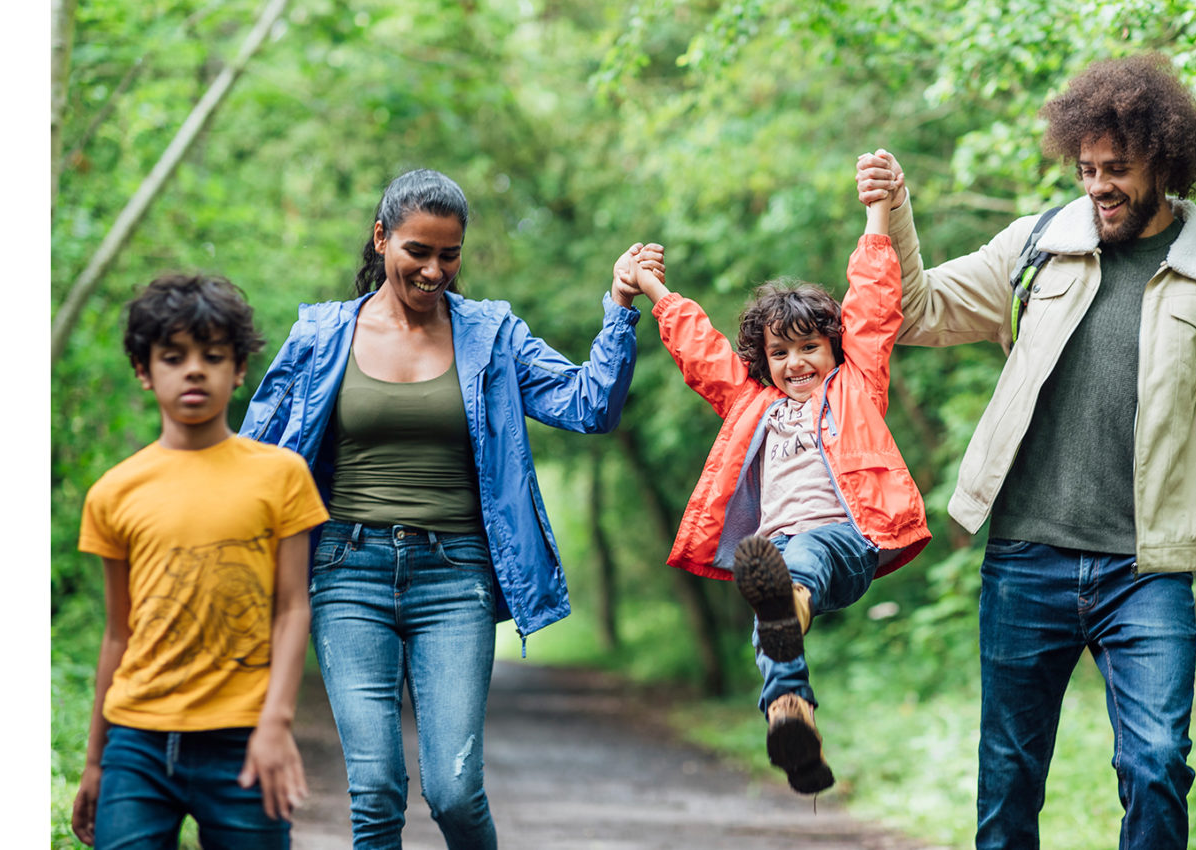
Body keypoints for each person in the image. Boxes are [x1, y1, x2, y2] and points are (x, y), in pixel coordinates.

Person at [854, 54, 1196, 848]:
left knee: (1157, 764)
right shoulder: (1038, 247)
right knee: (1008, 778)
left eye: (1118, 170)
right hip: (1025, 557)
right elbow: (912, 310)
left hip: (1148, 570)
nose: (1099, 186)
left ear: (1165, 164)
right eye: (1087, 170)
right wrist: (895, 211)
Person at [239, 168, 642, 848]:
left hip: (456, 578)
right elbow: (257, 454)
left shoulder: (492, 335)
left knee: (454, 793)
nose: (433, 271)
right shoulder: (320, 336)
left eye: (448, 255)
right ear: (381, 238)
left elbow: (589, 405)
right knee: (375, 789)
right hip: (346, 571)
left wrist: (620, 308)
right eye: (417, 251)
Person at [621, 188, 931, 795]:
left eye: (809, 347)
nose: (796, 363)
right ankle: (793, 719)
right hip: (780, 547)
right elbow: (702, 353)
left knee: (799, 565)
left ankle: (789, 603)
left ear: (834, 347)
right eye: (780, 353)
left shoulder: (857, 385)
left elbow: (872, 302)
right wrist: (655, 290)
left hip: (848, 538)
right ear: (764, 361)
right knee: (768, 616)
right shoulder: (751, 404)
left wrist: (878, 211)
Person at [71, 273, 329, 848]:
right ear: (144, 370)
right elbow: (118, 633)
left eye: (213, 356)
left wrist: (276, 723)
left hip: (244, 739)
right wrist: (95, 760)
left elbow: (293, 609)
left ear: (238, 370)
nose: (194, 370)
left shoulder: (281, 476)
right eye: (173, 357)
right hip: (136, 742)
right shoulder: (113, 492)